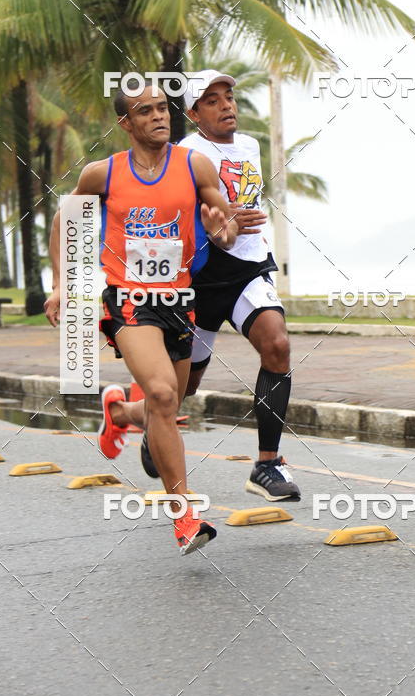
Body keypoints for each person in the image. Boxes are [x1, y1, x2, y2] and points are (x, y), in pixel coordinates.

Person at [44, 82, 238, 555]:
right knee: (164, 393)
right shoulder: (102, 174)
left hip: (180, 300)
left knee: (161, 408)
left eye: (162, 108)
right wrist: (60, 283)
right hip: (128, 300)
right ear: (125, 124)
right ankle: (185, 515)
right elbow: (63, 221)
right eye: (144, 111)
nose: (158, 116)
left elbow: (227, 229)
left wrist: (222, 231)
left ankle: (118, 413)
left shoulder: (194, 165)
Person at [141, 69, 300, 502]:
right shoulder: (186, 155)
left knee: (278, 346)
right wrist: (217, 225)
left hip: (247, 269)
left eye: (228, 96)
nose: (226, 105)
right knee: (180, 390)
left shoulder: (248, 146)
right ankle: (150, 420)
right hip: (200, 280)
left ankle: (267, 466)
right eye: (212, 100)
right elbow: (172, 219)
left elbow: (243, 205)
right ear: (194, 113)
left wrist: (236, 222)